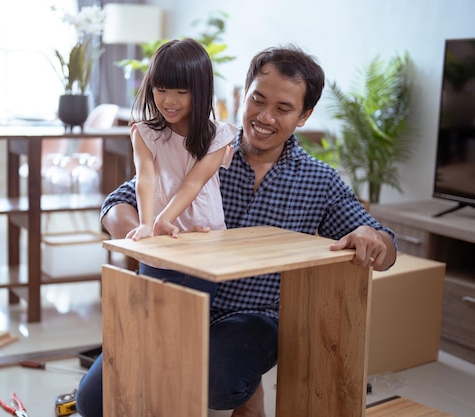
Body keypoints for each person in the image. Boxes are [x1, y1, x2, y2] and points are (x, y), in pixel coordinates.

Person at [75, 44, 397, 417]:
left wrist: (375, 240)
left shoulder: (319, 180)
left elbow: (384, 246)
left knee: (217, 380)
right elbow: (118, 202)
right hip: (177, 298)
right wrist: (146, 238)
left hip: (255, 317)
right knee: (92, 402)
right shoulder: (201, 148)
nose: (264, 116)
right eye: (257, 100)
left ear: (305, 116)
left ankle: (246, 389)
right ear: (243, 95)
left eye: (283, 108)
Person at [127, 38, 237, 298]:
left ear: (199, 91)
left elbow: (194, 182)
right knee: (153, 323)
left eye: (181, 92)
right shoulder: (144, 133)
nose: (169, 101)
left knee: (192, 327)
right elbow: (145, 179)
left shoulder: (218, 136)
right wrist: (147, 224)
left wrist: (163, 218)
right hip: (160, 243)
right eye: (161, 89)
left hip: (203, 238)